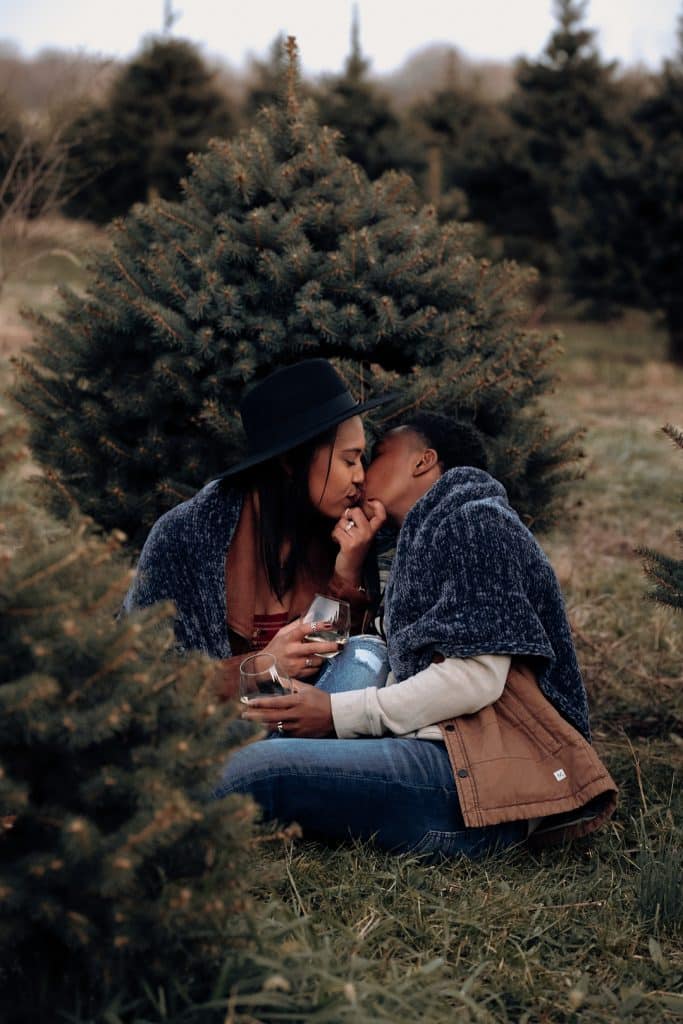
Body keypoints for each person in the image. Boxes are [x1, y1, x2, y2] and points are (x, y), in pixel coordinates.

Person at [216, 413, 617, 858]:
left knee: (259, 769)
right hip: (439, 754)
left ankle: (168, 820)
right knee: (362, 655)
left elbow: (476, 678)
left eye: (377, 455)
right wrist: (347, 570)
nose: (362, 474)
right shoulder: (425, 537)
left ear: (423, 461)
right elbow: (356, 658)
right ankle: (194, 769)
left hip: (472, 782)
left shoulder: (476, 521)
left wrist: (334, 714)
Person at [124, 359, 393, 697]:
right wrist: (259, 667)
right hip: (217, 723)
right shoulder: (185, 535)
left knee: (366, 658)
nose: (360, 476)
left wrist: (346, 573)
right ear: (291, 461)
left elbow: (325, 661)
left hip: (306, 720)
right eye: (349, 460)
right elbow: (143, 677)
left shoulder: (342, 534)